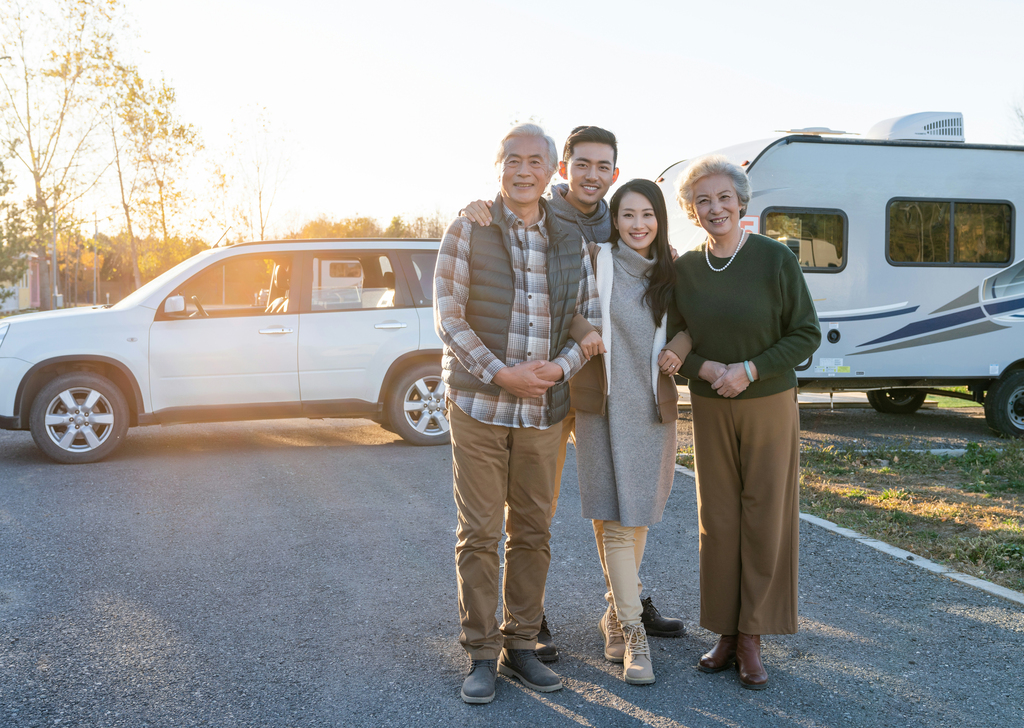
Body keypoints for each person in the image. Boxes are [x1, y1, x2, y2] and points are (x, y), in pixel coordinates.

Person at [460, 126, 687, 665]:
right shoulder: (538, 208)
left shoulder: (617, 217)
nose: (592, 175)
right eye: (581, 164)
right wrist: (478, 205)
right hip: (544, 378)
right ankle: (530, 617)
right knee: (535, 506)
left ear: (613, 171)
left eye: (602, 166)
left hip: (597, 378)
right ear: (563, 168)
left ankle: (622, 604)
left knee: (610, 496)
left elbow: (643, 251)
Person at [434, 123, 600, 705]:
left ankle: (522, 644)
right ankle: (481, 653)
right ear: (498, 165)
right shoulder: (468, 228)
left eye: (534, 160)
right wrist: (501, 373)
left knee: (532, 530)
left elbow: (587, 319)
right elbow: (449, 318)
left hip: (545, 411)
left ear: (551, 170)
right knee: (479, 533)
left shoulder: (569, 239)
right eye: (512, 159)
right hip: (479, 405)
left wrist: (561, 367)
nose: (522, 169)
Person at [668, 154, 821, 690]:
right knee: (720, 520)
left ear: (741, 202)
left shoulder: (775, 260)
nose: (714, 208)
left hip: (768, 402)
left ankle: (753, 634)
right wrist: (705, 368)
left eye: (723, 197)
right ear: (691, 210)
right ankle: (726, 632)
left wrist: (750, 370)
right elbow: (670, 345)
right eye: (702, 200)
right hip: (710, 405)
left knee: (764, 516)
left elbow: (805, 334)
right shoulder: (684, 269)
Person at [566, 178, 691, 684]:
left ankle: (616, 616)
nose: (638, 225)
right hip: (601, 408)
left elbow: (690, 324)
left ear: (660, 220)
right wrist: (584, 332)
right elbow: (565, 309)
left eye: (647, 215)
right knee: (612, 520)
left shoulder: (674, 270)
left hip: (648, 409)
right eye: (627, 215)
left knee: (634, 517)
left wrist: (679, 348)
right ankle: (633, 633)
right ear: (614, 220)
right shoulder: (594, 259)